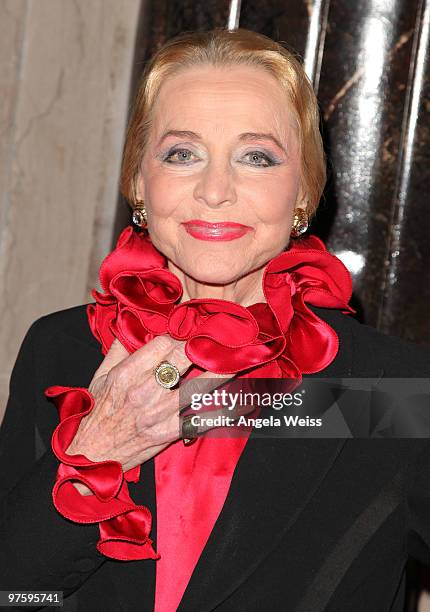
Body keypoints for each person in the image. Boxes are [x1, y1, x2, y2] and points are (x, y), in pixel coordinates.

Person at [1, 27, 430, 612]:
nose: (215, 191)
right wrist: (97, 451)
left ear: (303, 190)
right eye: (183, 153)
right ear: (138, 182)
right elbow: (16, 591)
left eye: (257, 157)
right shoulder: (62, 348)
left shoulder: (388, 389)